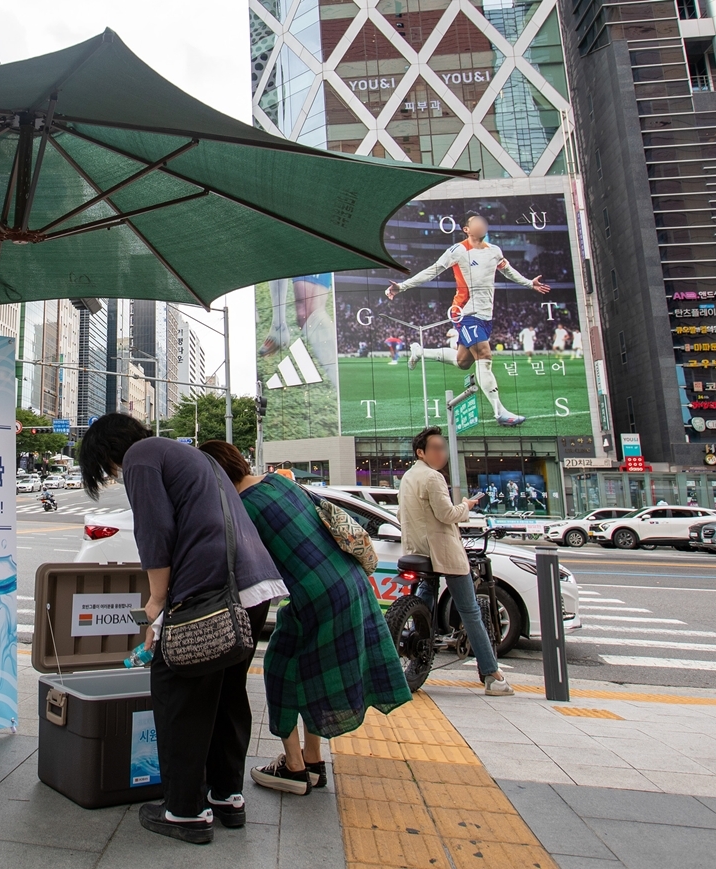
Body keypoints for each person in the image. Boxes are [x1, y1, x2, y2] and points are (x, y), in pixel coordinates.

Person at [81, 414, 287, 845]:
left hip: (210, 591)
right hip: (252, 587)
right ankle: (227, 794)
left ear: (108, 451)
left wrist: (156, 603)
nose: (114, 475)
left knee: (178, 689)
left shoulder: (141, 456)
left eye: (106, 467)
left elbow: (156, 532)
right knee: (226, 690)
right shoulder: (190, 456)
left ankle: (185, 812)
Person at [199, 441, 410, 796]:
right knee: (313, 670)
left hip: (315, 594)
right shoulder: (279, 482)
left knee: (280, 670)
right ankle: (313, 761)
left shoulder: (242, 508)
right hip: (352, 581)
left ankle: (294, 768)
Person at [387, 212, 551, 426]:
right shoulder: (458, 251)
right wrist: (402, 286)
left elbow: (508, 271)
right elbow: (431, 271)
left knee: (463, 362)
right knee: (484, 355)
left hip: (485, 315)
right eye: (476, 222)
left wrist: (530, 283)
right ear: (466, 229)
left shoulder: (494, 251)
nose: (482, 224)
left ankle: (420, 351)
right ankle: (500, 413)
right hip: (465, 312)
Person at [400, 427, 513, 696]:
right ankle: (493, 675)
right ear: (421, 452)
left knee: (423, 612)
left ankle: (418, 664)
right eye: (436, 448)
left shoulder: (407, 476)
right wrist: (467, 505)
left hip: (418, 551)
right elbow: (448, 514)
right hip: (442, 553)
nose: (441, 453)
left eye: (443, 448)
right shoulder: (432, 477)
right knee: (471, 611)